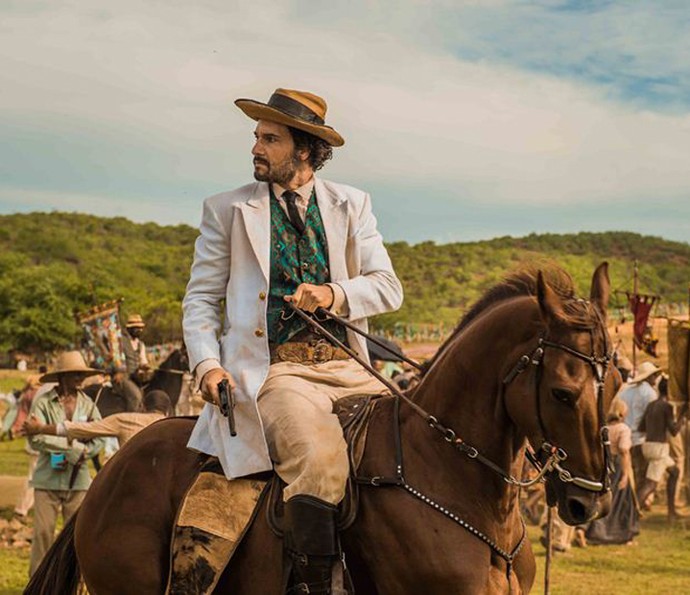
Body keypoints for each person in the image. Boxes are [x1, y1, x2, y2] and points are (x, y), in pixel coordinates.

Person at [183, 87, 403, 594]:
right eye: (256, 137)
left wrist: (332, 292)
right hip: (276, 371)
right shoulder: (226, 209)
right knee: (320, 462)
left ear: (304, 149)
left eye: (269, 138)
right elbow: (199, 300)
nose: (256, 148)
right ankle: (315, 586)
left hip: (350, 368)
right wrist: (207, 366)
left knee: (406, 453)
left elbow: (388, 287)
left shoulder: (354, 203)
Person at [26, 351, 104, 576]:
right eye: (75, 374)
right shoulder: (43, 402)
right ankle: (38, 585)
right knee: (42, 534)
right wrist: (70, 449)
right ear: (62, 377)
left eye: (81, 373)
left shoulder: (89, 404)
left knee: (75, 539)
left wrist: (84, 452)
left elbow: (100, 437)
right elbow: (35, 437)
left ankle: (70, 584)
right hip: (47, 480)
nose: (80, 378)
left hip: (78, 482)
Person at [24, 389, 170, 448]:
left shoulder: (125, 420)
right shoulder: (175, 427)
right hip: (54, 462)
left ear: (142, 406)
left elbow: (85, 429)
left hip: (131, 484)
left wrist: (41, 428)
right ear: (168, 412)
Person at [585, 398, 639, 544]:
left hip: (604, 465)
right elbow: (624, 451)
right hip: (617, 464)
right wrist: (626, 474)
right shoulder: (623, 429)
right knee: (621, 501)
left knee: (603, 499)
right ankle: (619, 535)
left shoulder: (604, 428)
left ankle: (595, 532)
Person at [637, 376, 688, 521]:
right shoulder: (667, 406)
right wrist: (682, 413)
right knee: (650, 484)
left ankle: (671, 512)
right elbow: (674, 431)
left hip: (649, 445)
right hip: (659, 448)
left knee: (674, 472)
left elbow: (641, 427)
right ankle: (631, 516)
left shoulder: (651, 405)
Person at [618, 360, 661, 492]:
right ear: (648, 377)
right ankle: (638, 505)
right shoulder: (650, 394)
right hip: (641, 439)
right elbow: (652, 418)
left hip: (625, 437)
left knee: (628, 474)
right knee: (641, 475)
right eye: (654, 375)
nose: (656, 378)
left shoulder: (626, 391)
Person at [121, 313, 151, 385]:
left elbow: (143, 361)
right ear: (129, 329)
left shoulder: (141, 344)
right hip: (125, 378)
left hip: (138, 377)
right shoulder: (121, 342)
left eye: (141, 328)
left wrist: (145, 366)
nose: (140, 330)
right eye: (137, 328)